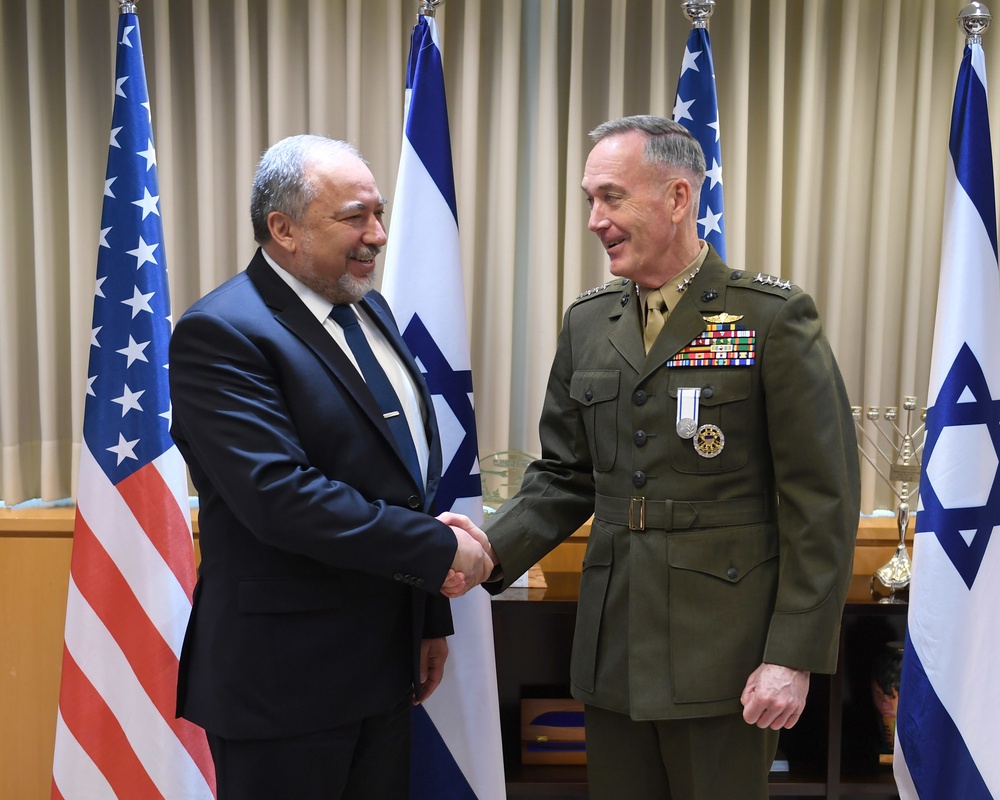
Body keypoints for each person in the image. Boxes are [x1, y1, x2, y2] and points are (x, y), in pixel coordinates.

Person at [463, 115, 861, 799]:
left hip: (727, 656)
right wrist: (486, 550)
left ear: (678, 198)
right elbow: (565, 475)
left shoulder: (769, 317)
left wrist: (792, 656)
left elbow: (821, 502)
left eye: (612, 197)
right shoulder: (588, 322)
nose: (595, 220)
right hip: (614, 648)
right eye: (590, 199)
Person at [168, 134, 493, 800]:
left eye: (379, 213)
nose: (377, 235)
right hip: (284, 684)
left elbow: (403, 477)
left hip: (384, 668)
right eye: (354, 217)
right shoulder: (221, 332)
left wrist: (428, 617)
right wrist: (439, 550)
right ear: (283, 229)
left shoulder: (367, 305)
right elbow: (281, 498)